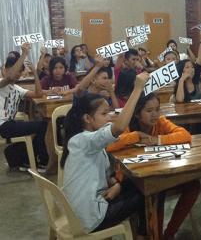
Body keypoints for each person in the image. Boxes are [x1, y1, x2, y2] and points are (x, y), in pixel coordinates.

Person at [61, 71, 149, 237]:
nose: (109, 117)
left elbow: (102, 173)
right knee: (145, 192)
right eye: (104, 114)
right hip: (89, 217)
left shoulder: (81, 140)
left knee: (133, 184)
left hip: (83, 209)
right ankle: (143, 235)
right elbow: (119, 128)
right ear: (87, 118)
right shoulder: (86, 140)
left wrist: (116, 184)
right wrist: (137, 89)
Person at [105, 93, 196, 237]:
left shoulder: (160, 121)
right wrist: (137, 135)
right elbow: (109, 145)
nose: (154, 114)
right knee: (156, 192)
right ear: (136, 114)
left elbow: (185, 135)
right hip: (134, 181)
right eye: (149, 111)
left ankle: (169, 234)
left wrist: (157, 140)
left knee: (193, 185)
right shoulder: (126, 125)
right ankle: (154, 235)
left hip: (161, 173)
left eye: (157, 109)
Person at [0, 43, 47, 171]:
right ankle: (42, 161)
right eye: (11, 69)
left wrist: (36, 74)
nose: (16, 74)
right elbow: (9, 78)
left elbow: (38, 94)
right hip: (3, 126)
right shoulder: (1, 83)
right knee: (43, 125)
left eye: (19, 71)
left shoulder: (17, 88)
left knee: (42, 124)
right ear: (4, 70)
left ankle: (29, 159)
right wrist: (24, 54)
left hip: (10, 124)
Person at [172, 30, 201, 103]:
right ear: (182, 70)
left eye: (192, 67)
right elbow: (179, 100)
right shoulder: (179, 83)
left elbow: (200, 58)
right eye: (187, 67)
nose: (191, 69)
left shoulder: (195, 79)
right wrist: (182, 80)